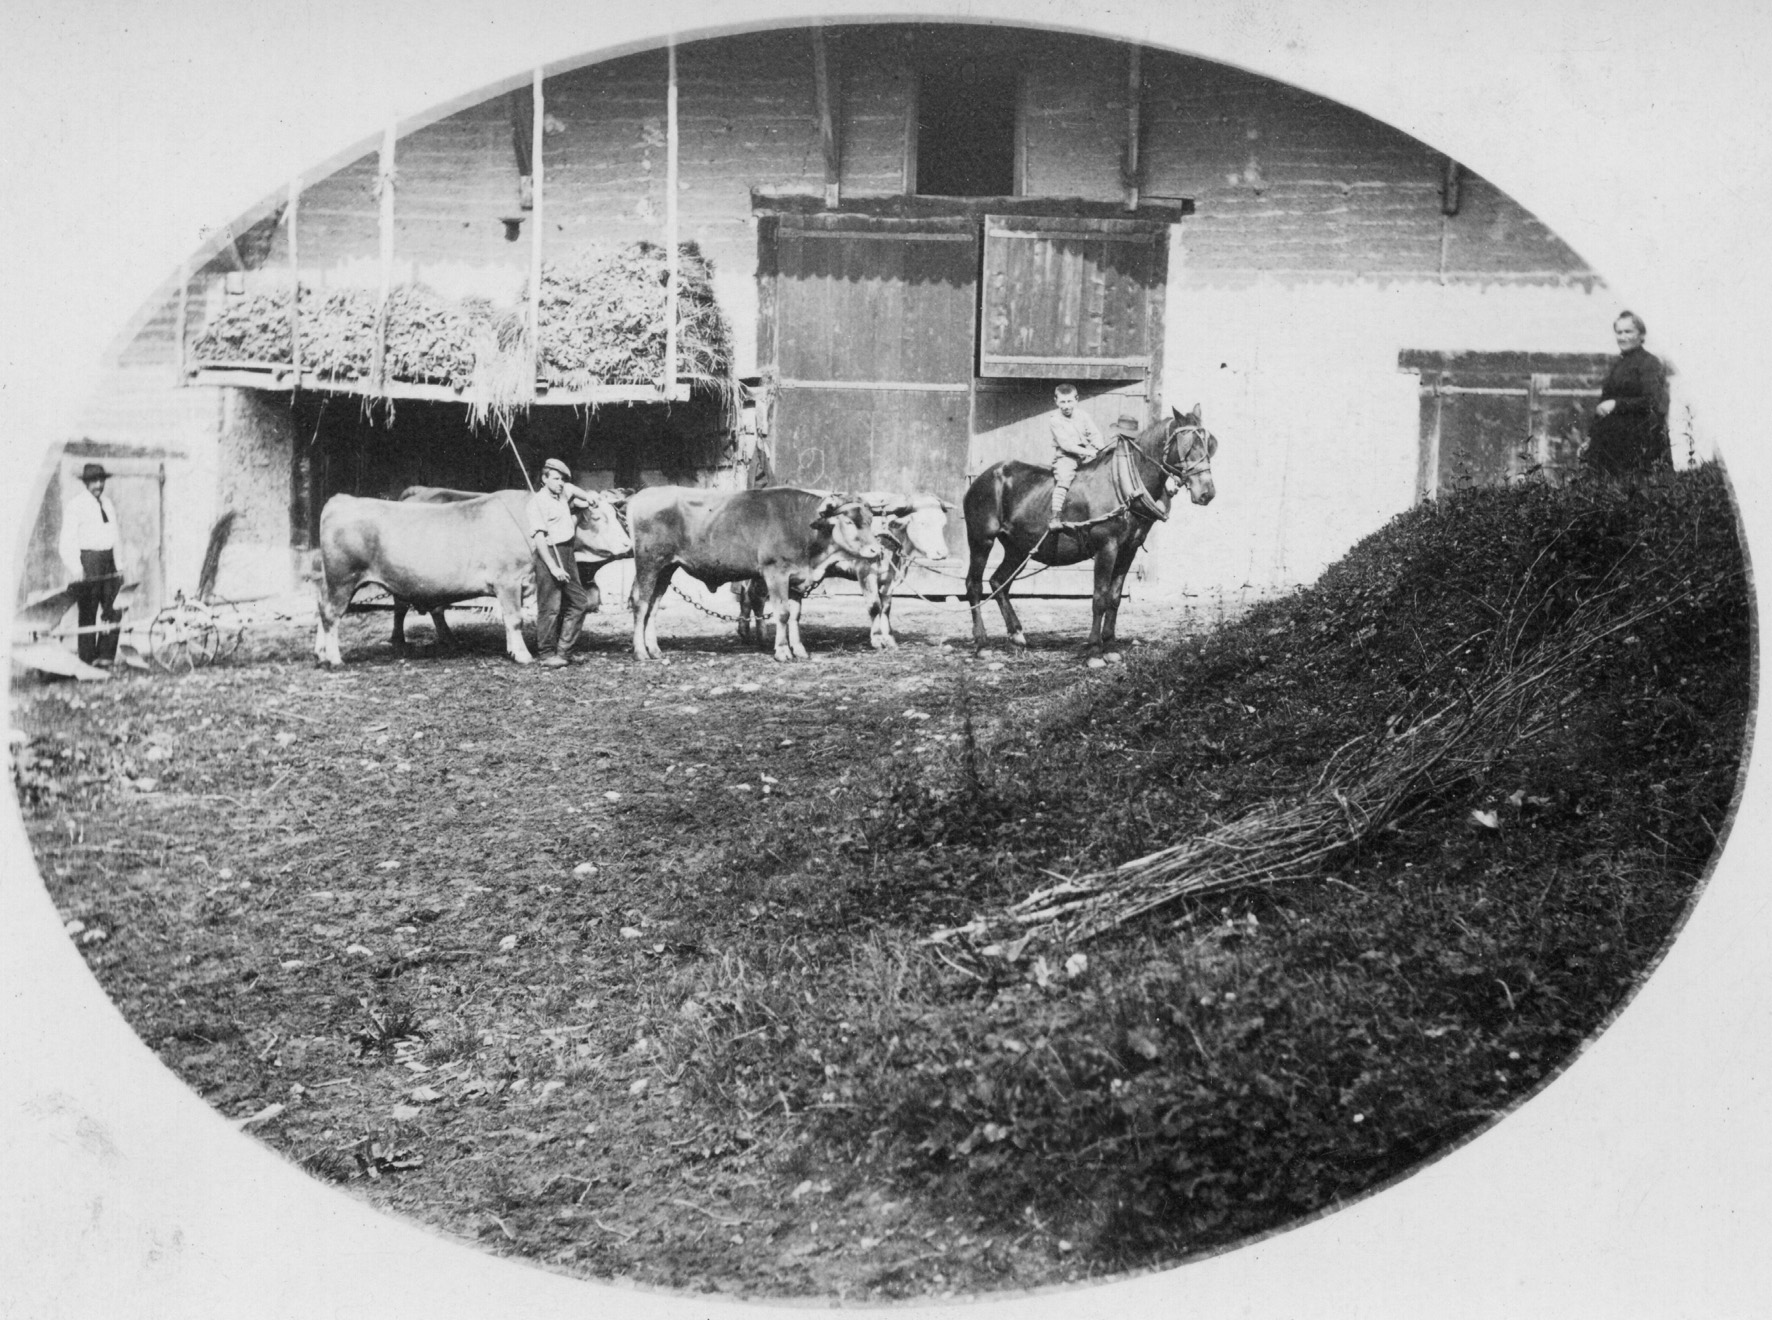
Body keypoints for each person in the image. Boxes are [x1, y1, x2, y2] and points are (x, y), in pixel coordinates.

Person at [1585, 310, 1671, 477]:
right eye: (1619, 332)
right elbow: (1604, 404)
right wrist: (1590, 438)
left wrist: (1617, 404)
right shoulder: (1618, 365)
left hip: (1638, 445)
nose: (1623, 337)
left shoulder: (1650, 363)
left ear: (1641, 334)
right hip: (1612, 445)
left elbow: (1653, 402)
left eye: (1628, 331)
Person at [58, 462, 126, 668]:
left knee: (114, 609)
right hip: (89, 562)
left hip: (109, 562)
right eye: (94, 481)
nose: (98, 485)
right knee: (88, 611)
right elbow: (66, 542)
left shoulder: (107, 504)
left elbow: (115, 536)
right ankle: (86, 660)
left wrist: (119, 564)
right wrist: (77, 568)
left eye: (101, 480)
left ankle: (105, 656)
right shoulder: (76, 505)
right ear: (86, 483)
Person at [525, 458, 591, 668]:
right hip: (549, 555)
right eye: (555, 478)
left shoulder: (562, 494)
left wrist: (589, 499)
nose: (560, 483)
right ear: (544, 479)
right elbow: (538, 539)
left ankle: (564, 651)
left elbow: (573, 489)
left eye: (562, 479)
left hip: (567, 552)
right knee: (550, 606)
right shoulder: (537, 503)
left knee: (579, 601)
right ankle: (546, 654)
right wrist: (553, 567)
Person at [1048, 383, 1104, 531]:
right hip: (1066, 457)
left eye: (1069, 401)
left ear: (1076, 399)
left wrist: (1100, 447)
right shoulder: (1055, 420)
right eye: (1062, 402)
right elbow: (1067, 445)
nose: (1066, 406)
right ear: (1056, 401)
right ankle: (1055, 516)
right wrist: (1090, 452)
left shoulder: (1084, 416)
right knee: (1064, 478)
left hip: (1085, 456)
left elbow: (1094, 434)